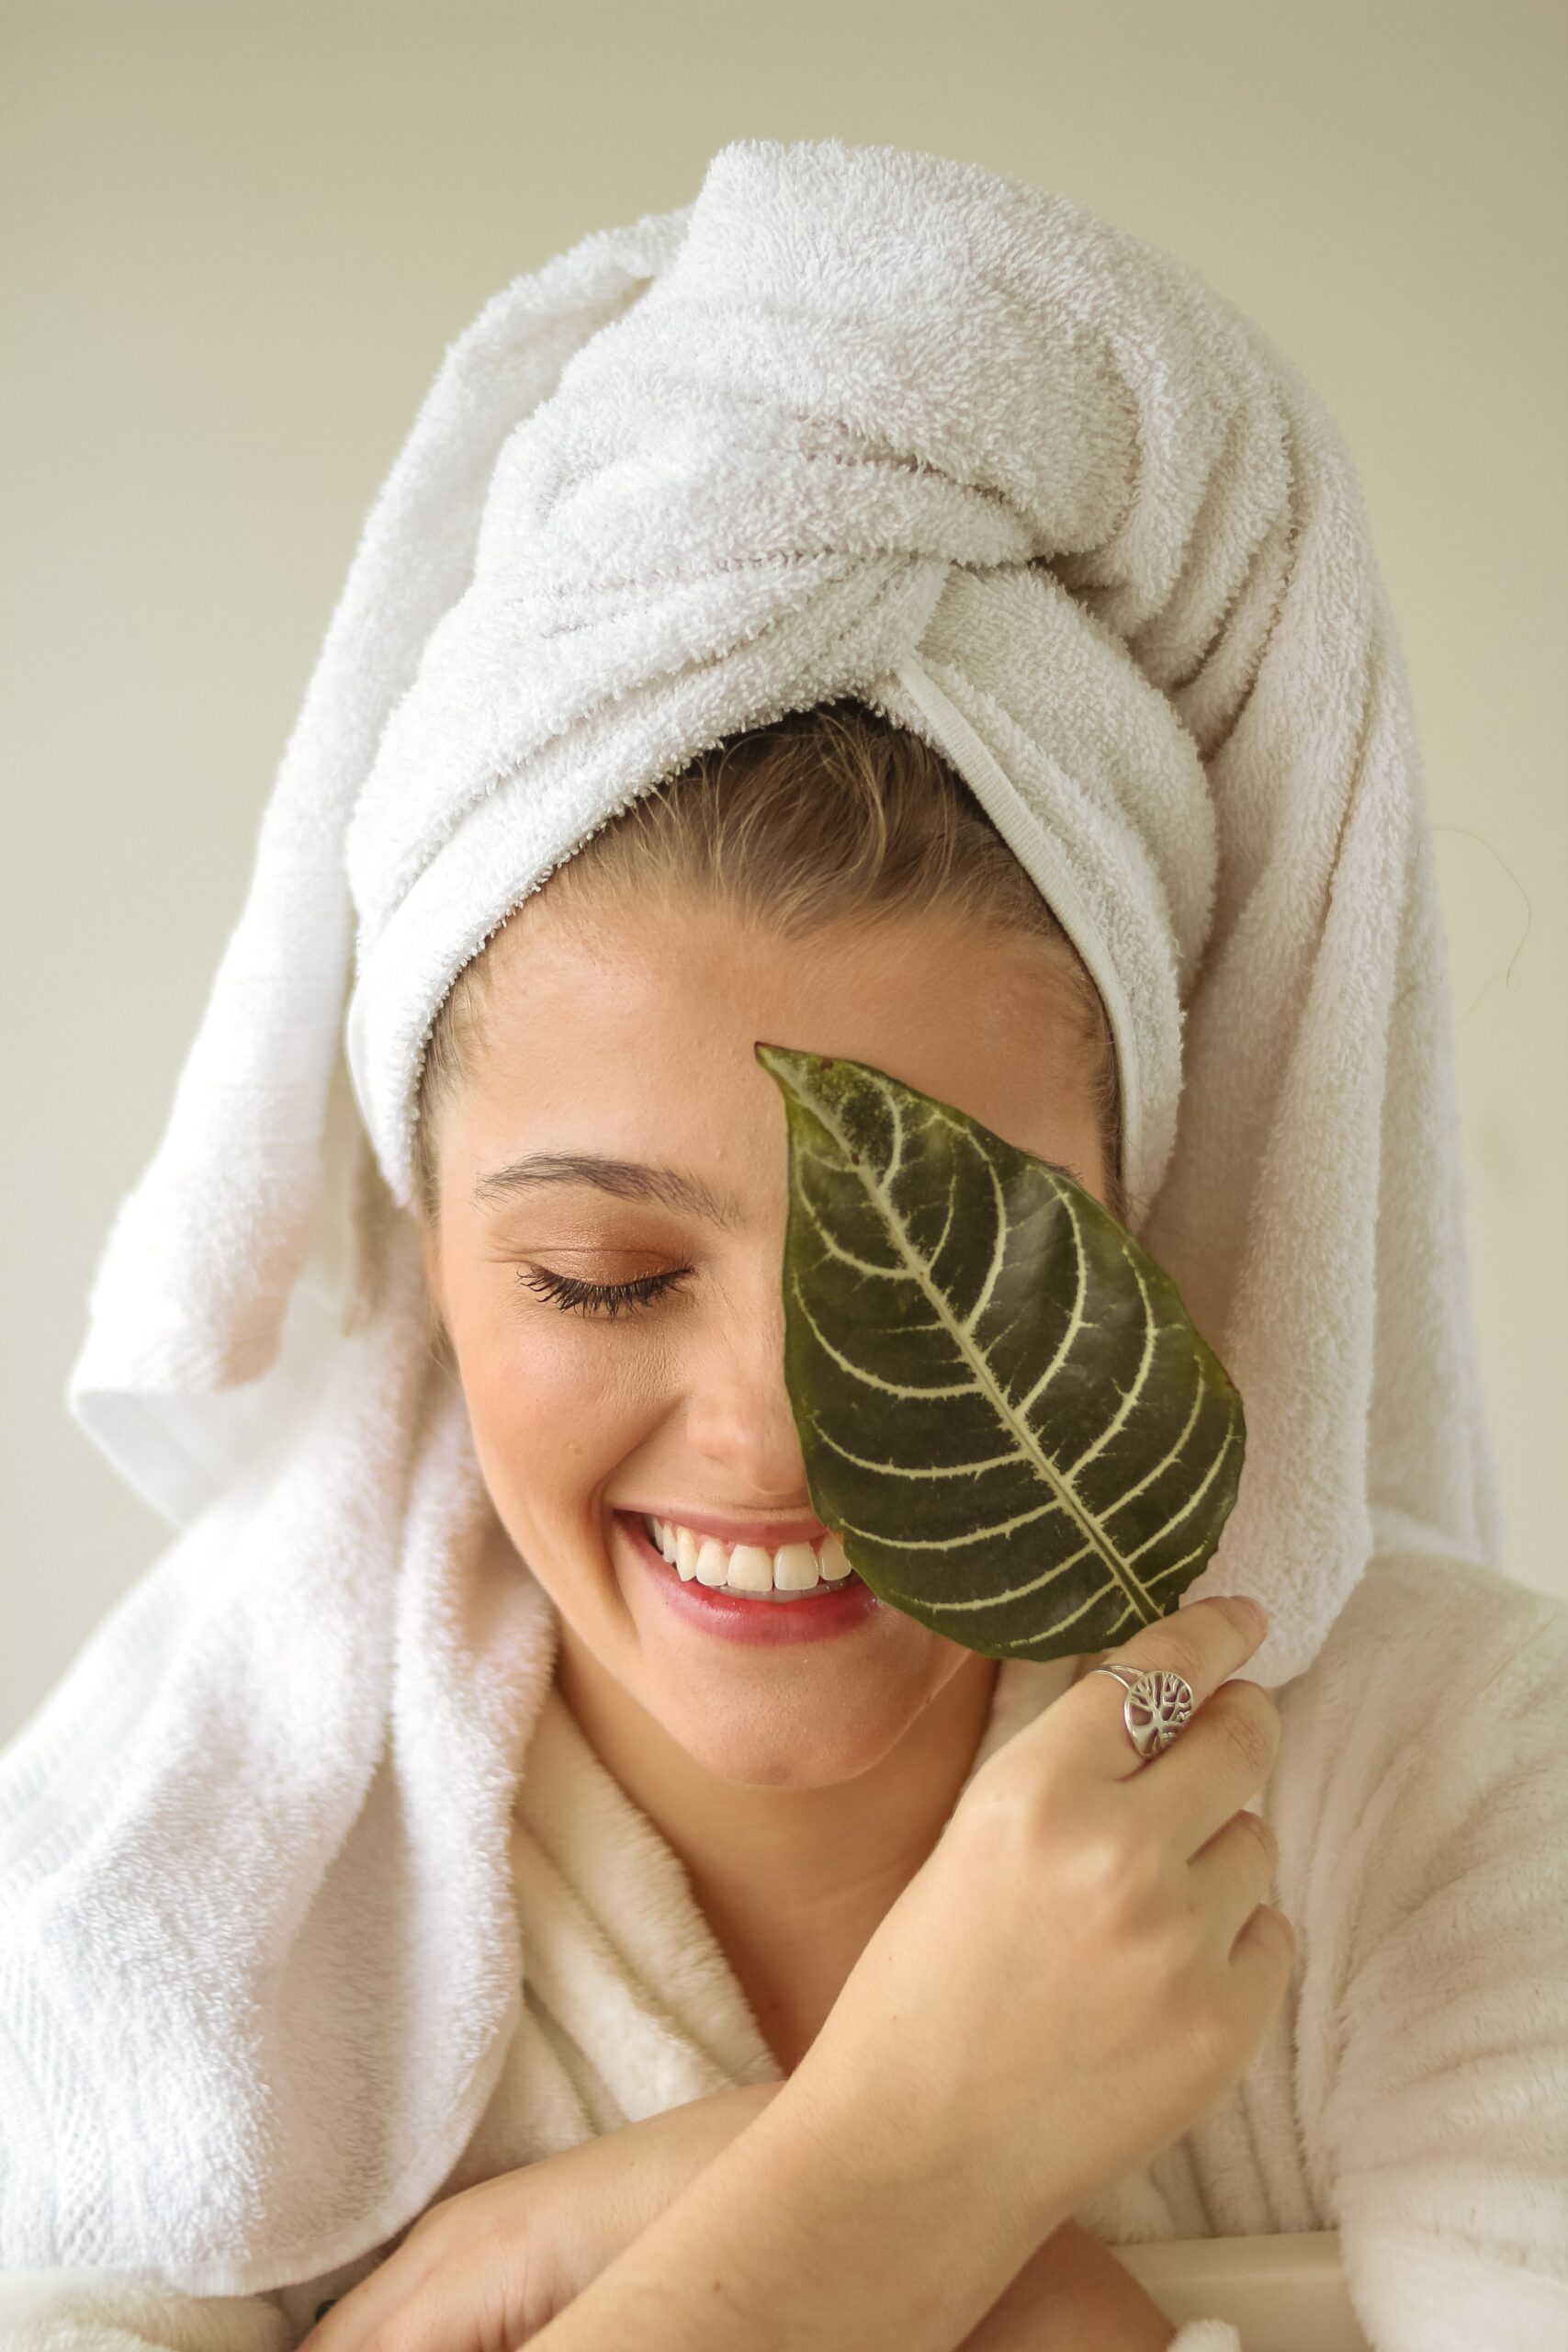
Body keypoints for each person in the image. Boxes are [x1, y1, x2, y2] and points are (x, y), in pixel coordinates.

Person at [3, 139, 1564, 2351]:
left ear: (1132, 1219)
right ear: (426, 1243)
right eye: (604, 1275)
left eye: (932, 1263)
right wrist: (896, 2164)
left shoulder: (1462, 1783)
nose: (769, 1429)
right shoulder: (155, 1903)